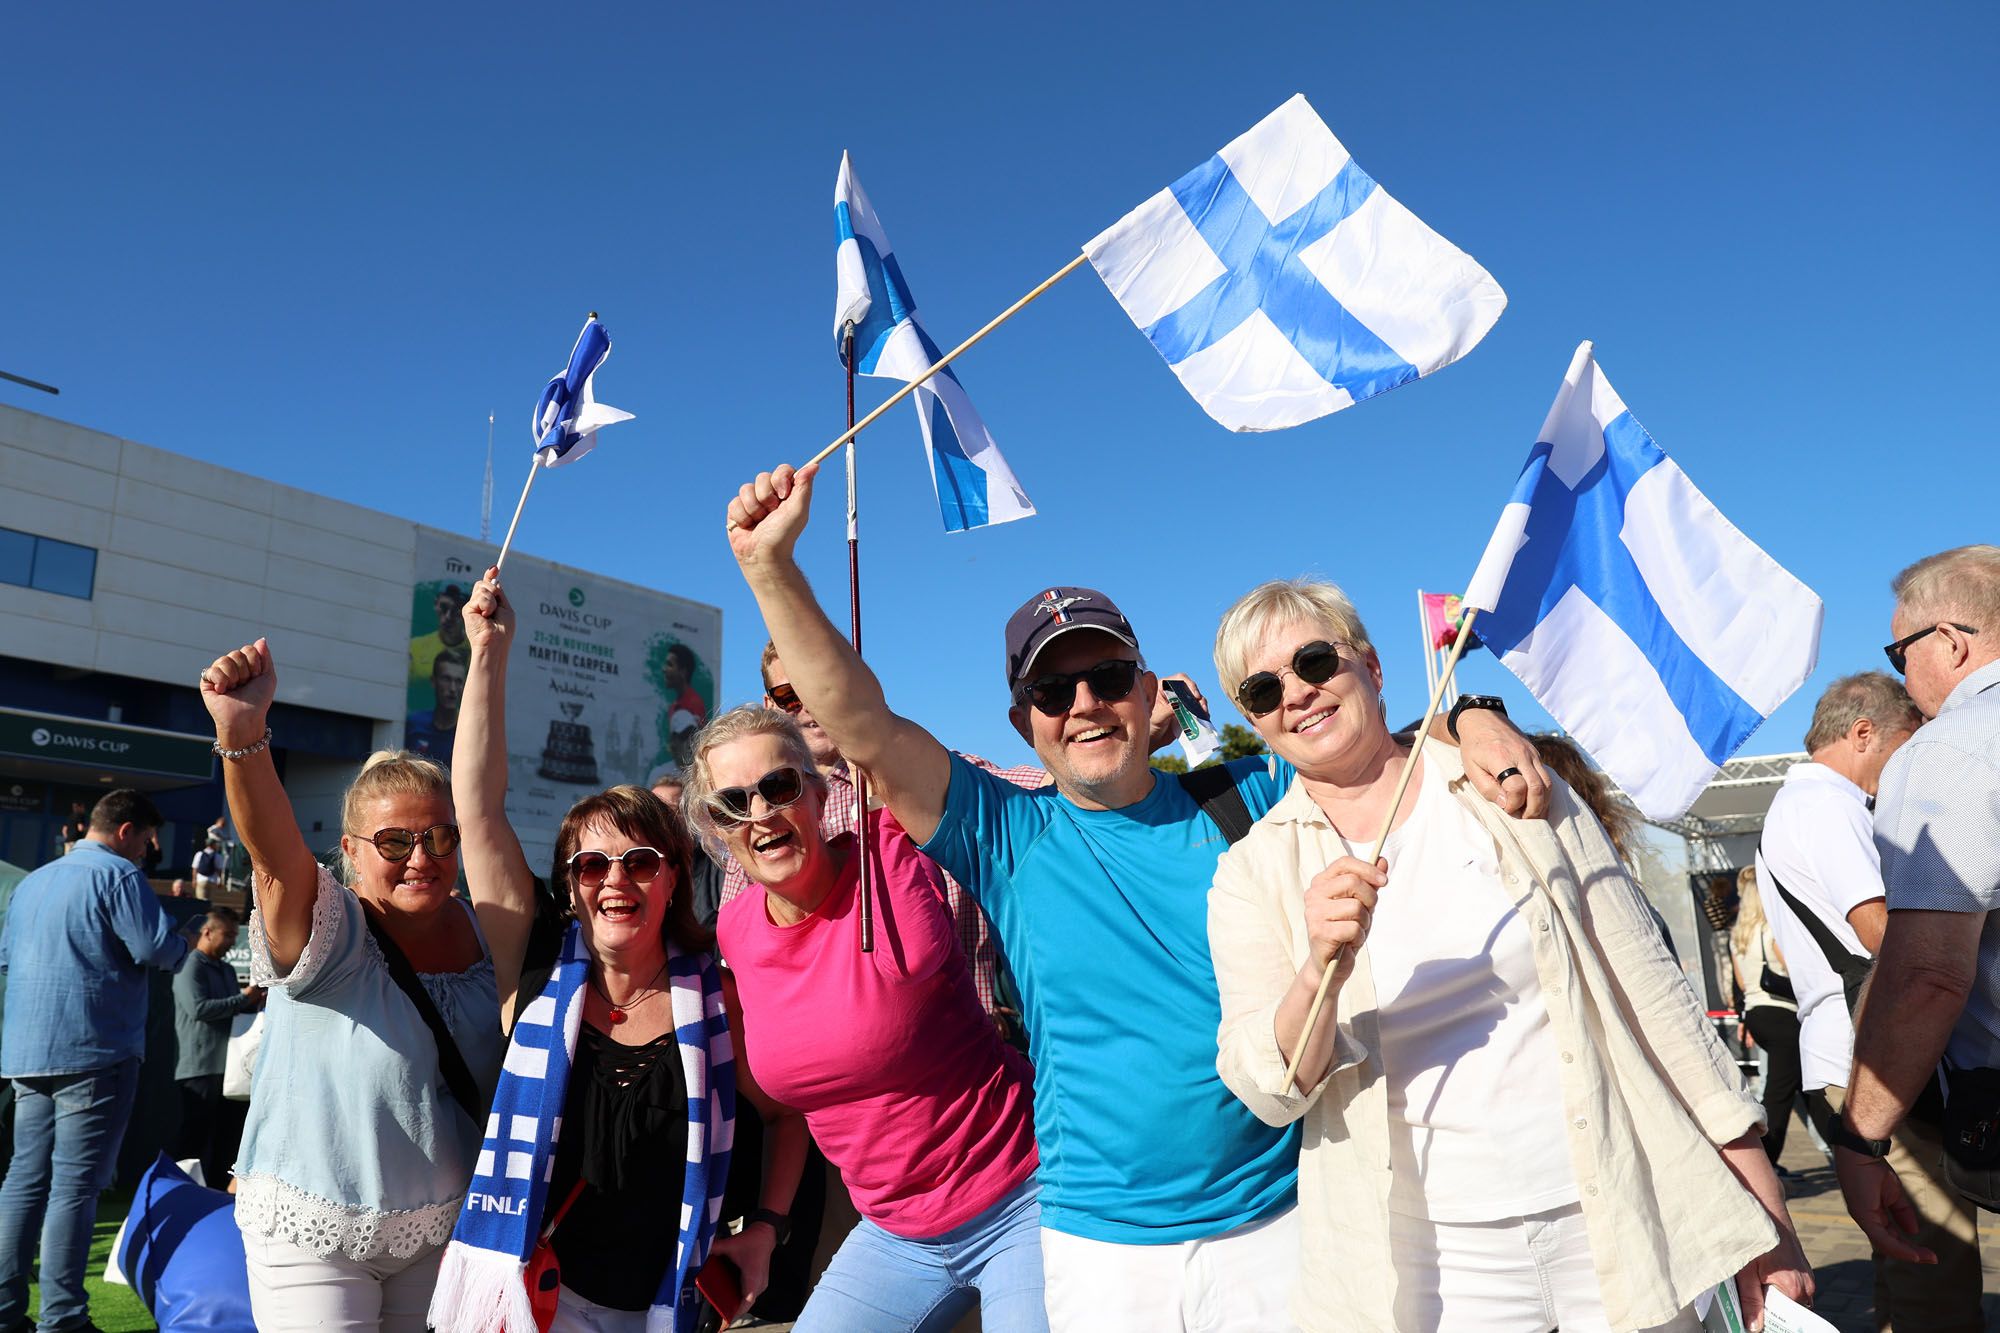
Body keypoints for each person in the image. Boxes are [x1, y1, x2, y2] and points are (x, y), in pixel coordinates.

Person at [724, 462, 1542, 1329]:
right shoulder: (1006, 834)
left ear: (1148, 690)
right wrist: (771, 569)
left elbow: (1370, 749)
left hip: (1281, 1218)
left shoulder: (1250, 799)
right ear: (1022, 722)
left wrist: (1473, 714)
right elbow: (863, 724)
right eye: (1051, 689)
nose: (1084, 704)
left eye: (1109, 678)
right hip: (1098, 1246)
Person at [1204, 578, 1812, 1332]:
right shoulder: (1252, 873)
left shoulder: (1508, 783)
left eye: (1316, 661)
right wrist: (1316, 971)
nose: (1296, 693)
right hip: (1430, 1258)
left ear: (1372, 666)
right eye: (1264, 690)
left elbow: (1652, 993)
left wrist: (1766, 1211)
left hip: (1616, 1203)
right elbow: (1272, 1089)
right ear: (1254, 720)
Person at [429, 569, 801, 1332]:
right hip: (532, 1302)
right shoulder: (533, 965)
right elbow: (477, 804)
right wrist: (488, 653)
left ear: (674, 878)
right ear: (570, 885)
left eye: (640, 862)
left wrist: (766, 1224)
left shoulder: (718, 996)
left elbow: (788, 1115)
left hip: (662, 1308)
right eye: (592, 865)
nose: (614, 881)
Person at [684, 706, 1045, 1330]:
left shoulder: (891, 845)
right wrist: (765, 1229)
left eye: (780, 787)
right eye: (732, 804)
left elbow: (1023, 796)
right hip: (893, 1233)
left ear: (821, 789)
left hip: (1024, 1194)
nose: (761, 813)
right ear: (716, 828)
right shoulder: (736, 929)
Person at [198, 637, 505, 1332]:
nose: (421, 856)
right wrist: (243, 734)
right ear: (351, 851)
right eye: (395, 841)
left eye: (439, 837)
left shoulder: (494, 932)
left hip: (445, 1229)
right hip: (313, 1231)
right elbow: (273, 857)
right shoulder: (331, 928)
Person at [1756, 673, 1981, 1328]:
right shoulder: (1829, 805)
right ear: (1863, 734)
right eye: (1906, 746)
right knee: (1932, 1263)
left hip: (1846, 1047)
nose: (1907, 766)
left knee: (1907, 1256)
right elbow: (1880, 927)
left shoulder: (1800, 804)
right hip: (1875, 1054)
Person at [1836, 546, 2000, 1282]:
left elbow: (1928, 972)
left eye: (1900, 651)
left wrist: (1861, 1141)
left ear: (1951, 641)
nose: (1902, 675)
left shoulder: (1952, 750)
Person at [0, 788, 191, 1333]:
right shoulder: (119, 876)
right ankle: (62, 1318)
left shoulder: (33, 881)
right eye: (149, 841)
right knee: (74, 1188)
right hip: (94, 1047)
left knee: (23, 1180)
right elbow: (157, 950)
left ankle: (7, 1311)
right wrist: (182, 945)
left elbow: (8, 960)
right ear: (127, 831)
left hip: (28, 1050)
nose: (149, 853)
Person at [172, 907, 262, 1186]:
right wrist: (244, 998)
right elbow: (198, 1009)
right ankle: (181, 1192)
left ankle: (219, 1196)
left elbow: (231, 1009)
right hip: (197, 1070)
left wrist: (252, 1002)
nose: (233, 942)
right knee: (193, 1140)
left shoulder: (224, 968)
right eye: (228, 935)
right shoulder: (189, 965)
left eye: (236, 935)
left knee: (228, 1138)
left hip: (228, 1071)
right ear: (207, 932)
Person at [1729, 867, 1807, 1170]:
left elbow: (1740, 982)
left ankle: (1839, 1147)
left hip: (1757, 1015)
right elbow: (1798, 974)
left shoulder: (1740, 937)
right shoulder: (1772, 931)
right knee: (1779, 1094)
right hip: (1783, 1013)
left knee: (1804, 1087)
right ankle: (1763, 1163)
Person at [650, 770, 726, 931]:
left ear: (690, 816)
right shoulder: (638, 868)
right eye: (653, 810)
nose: (660, 817)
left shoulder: (717, 868)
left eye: (670, 810)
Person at [405, 647, 469, 762]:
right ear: (433, 681)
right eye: (446, 679)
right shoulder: (413, 725)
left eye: (458, 681)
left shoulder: (468, 733)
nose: (453, 688)